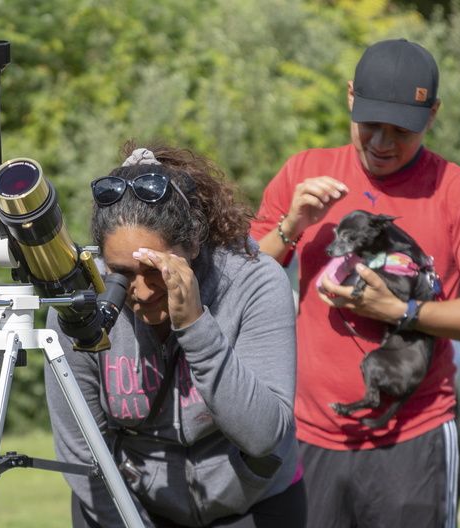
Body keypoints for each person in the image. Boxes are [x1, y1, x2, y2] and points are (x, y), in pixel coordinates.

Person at [250, 38, 460, 528]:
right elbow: (239, 283)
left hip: (413, 441)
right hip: (309, 438)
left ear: (432, 115)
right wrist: (289, 228)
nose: (381, 143)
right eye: (370, 124)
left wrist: (401, 312)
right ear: (351, 97)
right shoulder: (304, 172)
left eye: (401, 130)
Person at [44, 141, 306, 528]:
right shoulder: (81, 307)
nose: (144, 291)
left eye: (157, 270)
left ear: (194, 244)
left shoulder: (253, 280)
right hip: (132, 504)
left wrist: (197, 327)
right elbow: (84, 452)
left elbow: (264, 435)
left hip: (252, 502)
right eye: (123, 273)